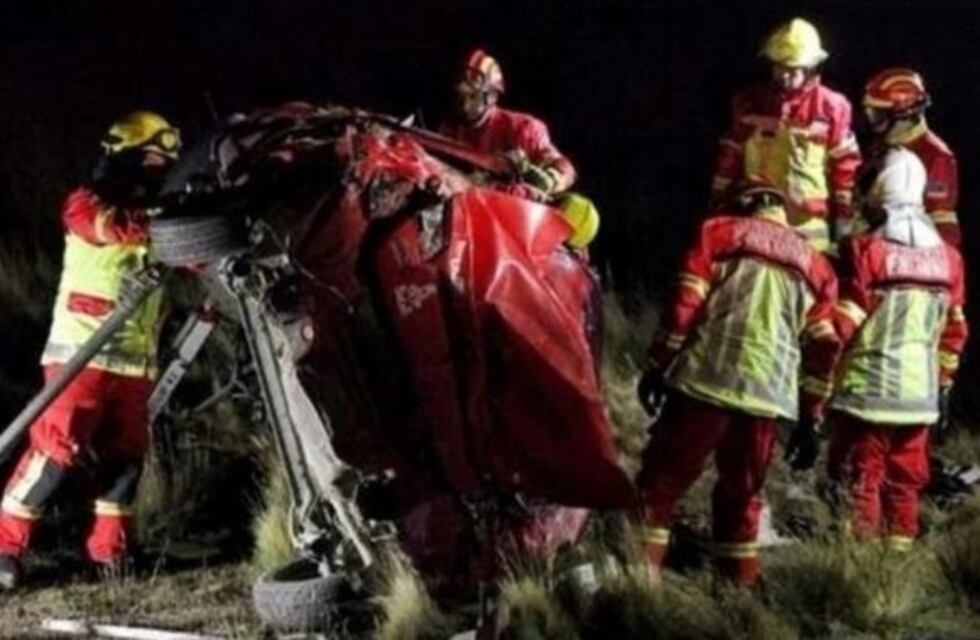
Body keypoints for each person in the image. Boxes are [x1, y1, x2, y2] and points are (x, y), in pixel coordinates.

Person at [0, 111, 180, 589]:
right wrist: (169, 220)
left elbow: (196, 258)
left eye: (165, 163)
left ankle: (110, 554)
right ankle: (4, 547)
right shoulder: (85, 204)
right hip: (80, 356)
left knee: (125, 461)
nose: (158, 171)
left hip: (135, 365)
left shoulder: (164, 222)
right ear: (122, 156)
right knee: (55, 456)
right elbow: (110, 227)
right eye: (150, 159)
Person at [634, 180, 841, 586]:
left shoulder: (719, 233)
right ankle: (738, 595)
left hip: (705, 382)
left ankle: (637, 585)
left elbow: (683, 309)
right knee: (742, 498)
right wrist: (810, 419)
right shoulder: (817, 266)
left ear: (741, 205)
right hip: (765, 399)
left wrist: (658, 364)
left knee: (660, 485)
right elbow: (825, 348)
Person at [826, 148, 968, 552]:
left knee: (861, 480)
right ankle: (895, 572)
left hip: (868, 395)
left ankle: (858, 572)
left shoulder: (866, 250)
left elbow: (846, 323)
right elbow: (954, 331)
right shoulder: (949, 259)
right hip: (919, 398)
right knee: (904, 486)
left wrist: (816, 372)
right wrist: (942, 384)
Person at [710, 18, 861, 252]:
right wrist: (719, 200)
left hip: (809, 227)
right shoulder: (749, 102)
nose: (784, 75)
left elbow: (846, 167)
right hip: (757, 217)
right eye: (778, 66)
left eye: (792, 69)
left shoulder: (832, 106)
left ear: (810, 68)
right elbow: (731, 155)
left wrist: (844, 220)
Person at [439, 48, 577, 197]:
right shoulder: (447, 130)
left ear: (491, 97)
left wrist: (551, 179)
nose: (464, 105)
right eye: (460, 96)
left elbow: (565, 168)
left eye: (472, 96)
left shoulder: (523, 128)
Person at [862, 68, 961, 246]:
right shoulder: (881, 144)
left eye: (878, 115)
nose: (872, 123)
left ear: (903, 116)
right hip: (872, 241)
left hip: (906, 247)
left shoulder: (937, 157)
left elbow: (941, 220)